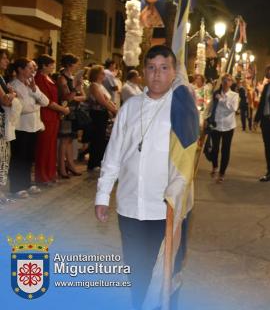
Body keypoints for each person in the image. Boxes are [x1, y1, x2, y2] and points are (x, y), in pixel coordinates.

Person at [95, 45, 190, 309]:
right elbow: (113, 154)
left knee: (166, 274)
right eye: (151, 68)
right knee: (136, 272)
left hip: (164, 209)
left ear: (173, 72)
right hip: (129, 207)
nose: (157, 74)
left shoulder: (181, 111)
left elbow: (187, 162)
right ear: (144, 72)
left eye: (163, 68)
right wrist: (103, 195)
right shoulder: (129, 107)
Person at [9, 58, 50, 198]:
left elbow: (46, 102)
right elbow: (21, 108)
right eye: (29, 68)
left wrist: (34, 90)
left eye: (33, 68)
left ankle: (26, 183)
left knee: (29, 157)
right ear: (20, 69)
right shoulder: (12, 85)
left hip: (34, 127)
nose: (32, 71)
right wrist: (36, 106)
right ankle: (16, 187)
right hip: (21, 127)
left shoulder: (32, 84)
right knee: (18, 157)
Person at [34, 55, 70, 185]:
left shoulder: (48, 78)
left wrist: (60, 110)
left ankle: (50, 174)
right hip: (45, 115)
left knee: (51, 146)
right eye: (51, 65)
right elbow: (45, 101)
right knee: (44, 146)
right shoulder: (39, 78)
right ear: (44, 65)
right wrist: (61, 109)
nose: (53, 67)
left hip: (53, 115)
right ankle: (42, 176)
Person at [57, 53, 85, 178]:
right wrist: (76, 89)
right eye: (74, 64)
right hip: (66, 111)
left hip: (73, 111)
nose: (76, 66)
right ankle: (62, 167)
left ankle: (70, 165)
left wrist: (77, 91)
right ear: (69, 64)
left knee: (69, 140)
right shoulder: (62, 78)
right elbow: (67, 97)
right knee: (64, 140)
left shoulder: (71, 77)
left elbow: (83, 96)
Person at [209, 74, 239, 182]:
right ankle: (215, 166)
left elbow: (233, 108)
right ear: (221, 81)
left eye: (229, 80)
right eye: (225, 80)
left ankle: (222, 173)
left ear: (231, 82)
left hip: (228, 126)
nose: (227, 82)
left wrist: (221, 100)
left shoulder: (234, 95)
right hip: (216, 125)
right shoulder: (216, 93)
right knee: (215, 149)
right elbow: (211, 107)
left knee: (225, 150)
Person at [87, 65, 117, 172]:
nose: (104, 75)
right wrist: (115, 111)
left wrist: (113, 108)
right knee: (97, 138)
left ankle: (100, 160)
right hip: (97, 114)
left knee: (102, 138)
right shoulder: (94, 86)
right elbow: (102, 101)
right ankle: (93, 163)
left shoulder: (101, 85)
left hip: (103, 114)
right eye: (102, 73)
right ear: (97, 74)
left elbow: (108, 100)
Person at [0, 49, 17, 204]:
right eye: (4, 58)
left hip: (3, 119)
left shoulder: (2, 78)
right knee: (2, 156)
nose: (6, 61)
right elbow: (5, 100)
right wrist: (12, 94)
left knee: (4, 156)